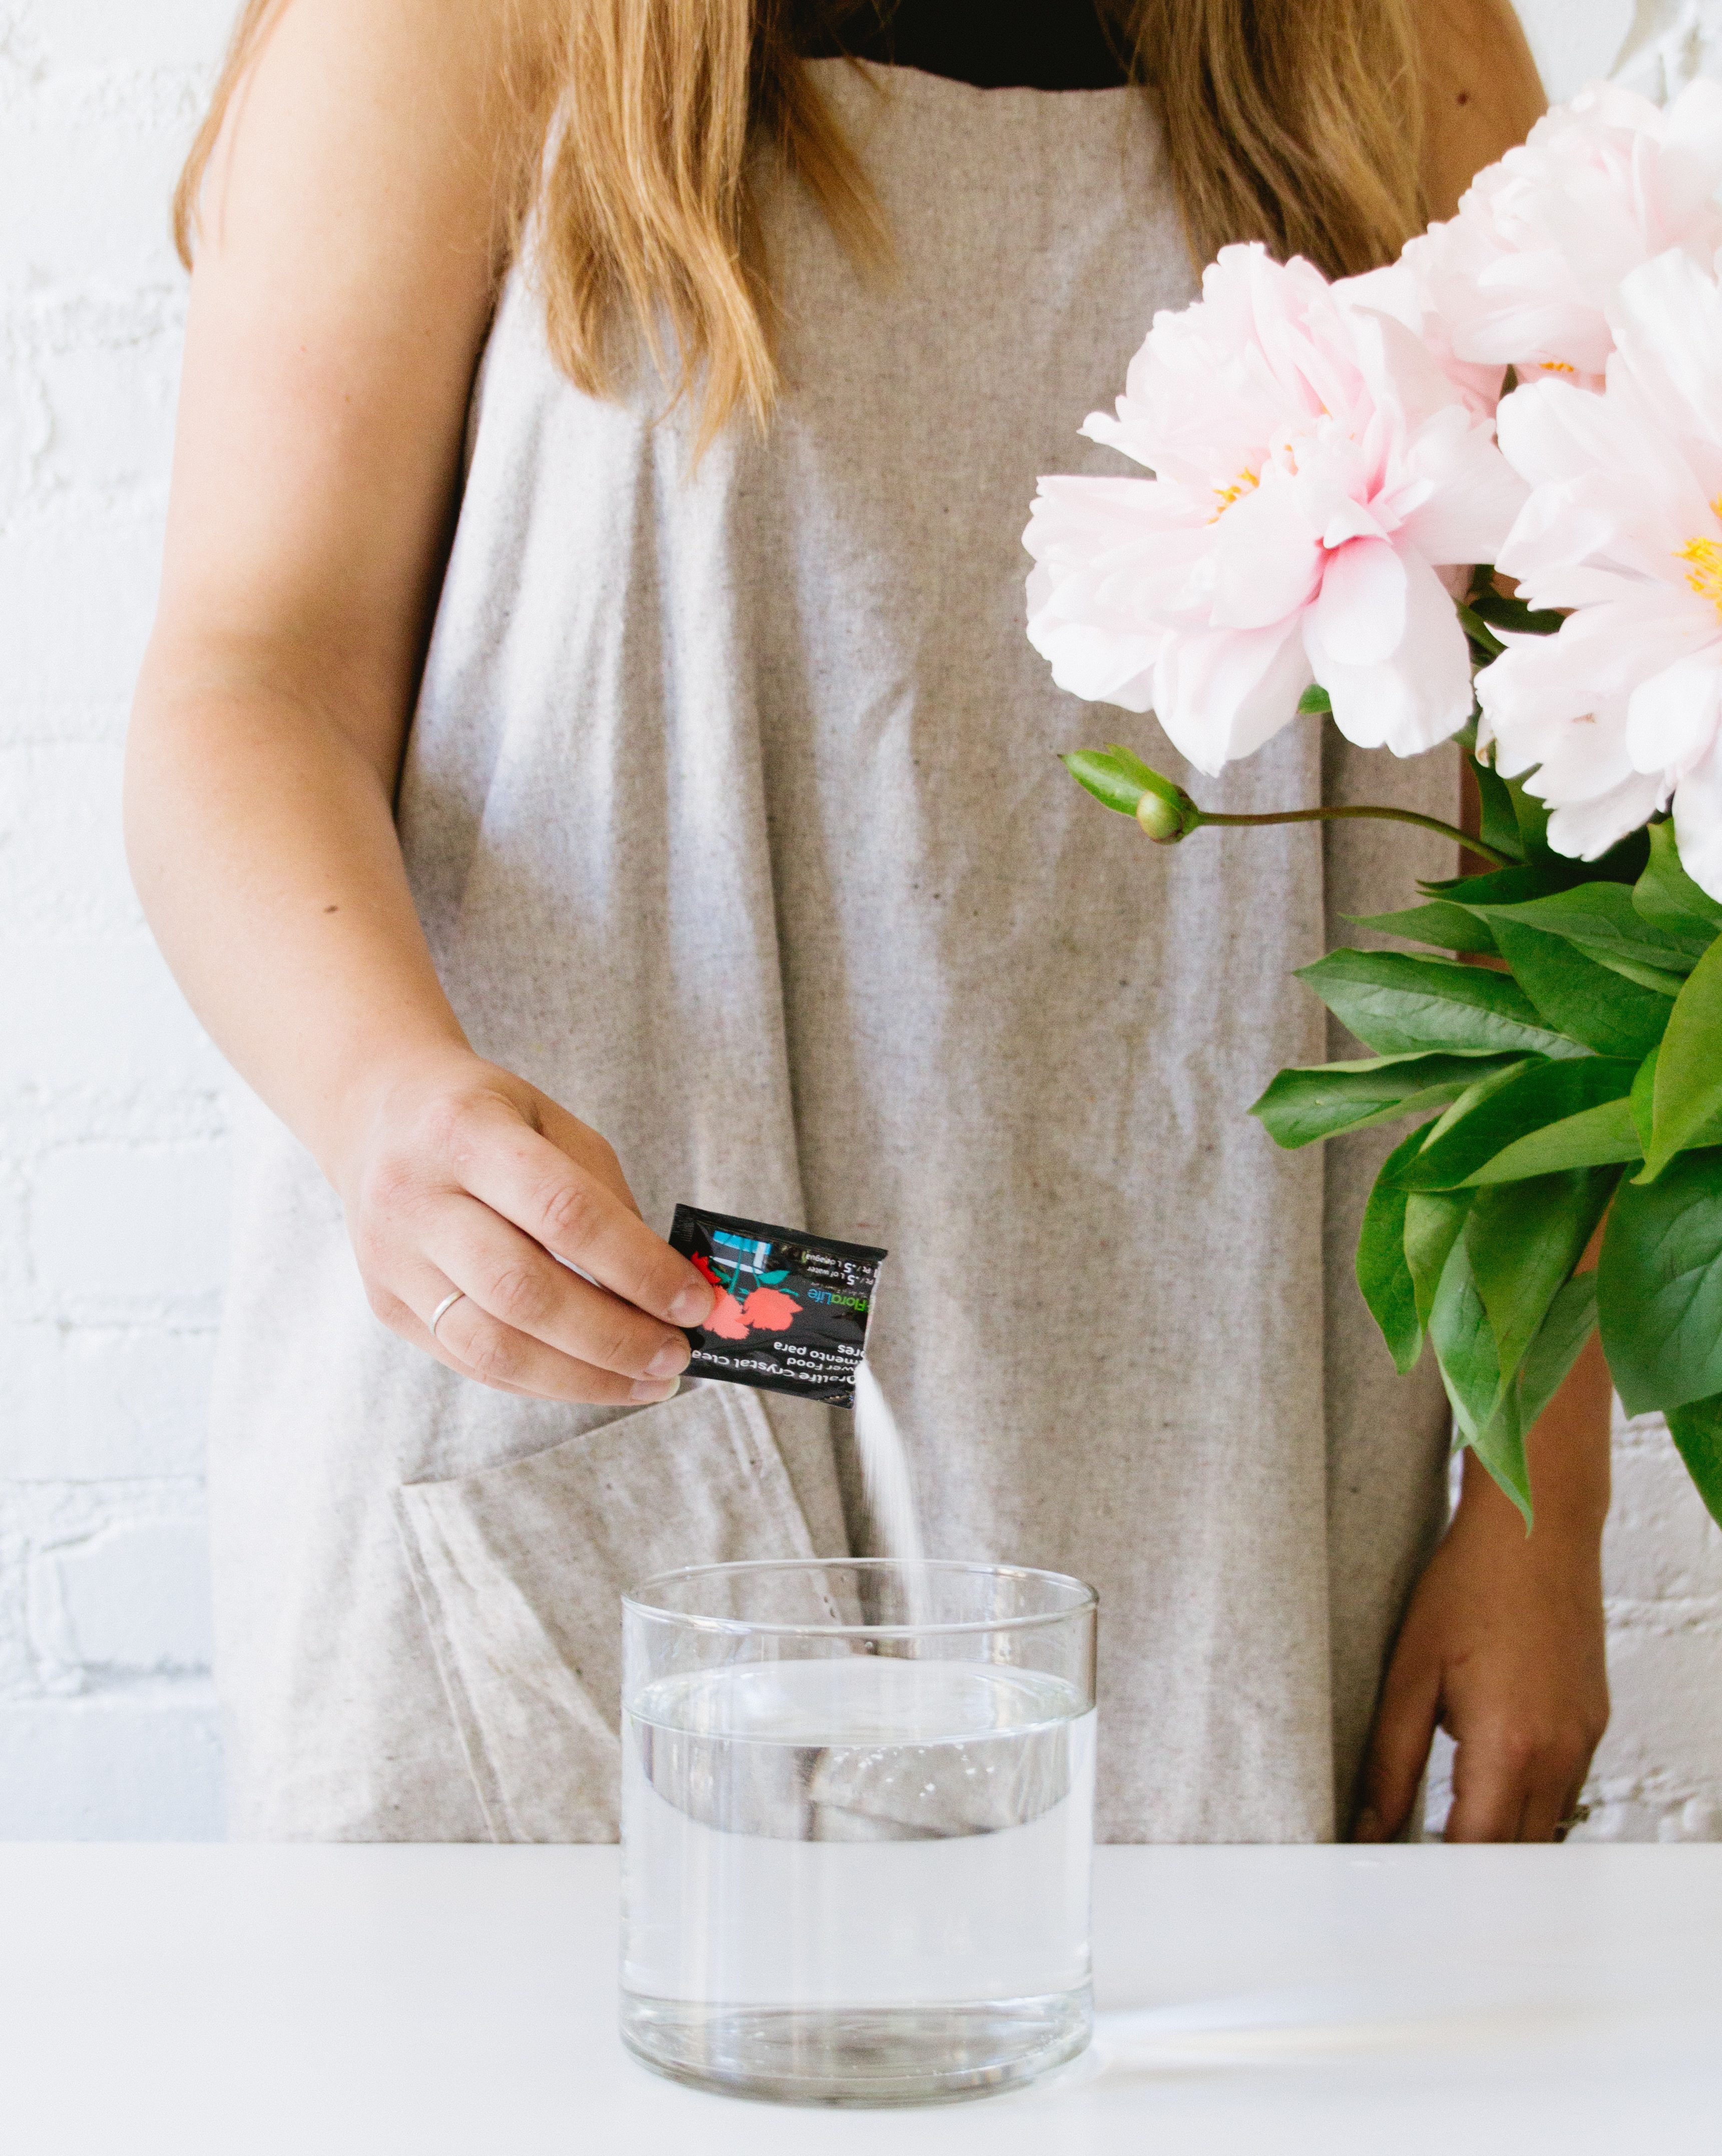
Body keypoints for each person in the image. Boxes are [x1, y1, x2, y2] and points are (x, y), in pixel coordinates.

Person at [128, 0, 1611, 1844]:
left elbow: (1560, 814)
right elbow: (248, 681)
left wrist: (1542, 1496)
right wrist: (378, 1097)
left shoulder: (1398, 47)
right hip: (626, 1358)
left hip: (1230, 1443)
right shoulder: (473, 25)